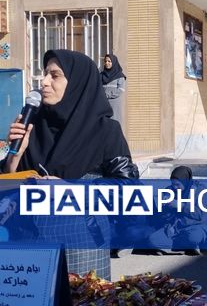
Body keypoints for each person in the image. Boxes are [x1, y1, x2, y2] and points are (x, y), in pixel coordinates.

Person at [1, 49, 139, 279]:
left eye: (54, 75)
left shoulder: (105, 131)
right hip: (28, 241)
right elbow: (8, 185)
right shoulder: (32, 125)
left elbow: (129, 191)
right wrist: (14, 157)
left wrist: (71, 189)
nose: (43, 82)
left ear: (77, 83)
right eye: (45, 74)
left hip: (81, 244)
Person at [146, 166, 207, 256]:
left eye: (178, 185)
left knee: (193, 237)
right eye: (173, 184)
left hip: (194, 227)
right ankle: (188, 247)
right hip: (174, 228)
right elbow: (161, 216)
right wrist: (165, 208)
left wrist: (180, 205)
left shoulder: (200, 190)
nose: (175, 187)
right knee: (152, 240)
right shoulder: (169, 190)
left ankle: (183, 245)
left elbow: (199, 215)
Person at [101, 53, 126, 124]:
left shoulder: (119, 76)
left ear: (114, 62)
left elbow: (120, 90)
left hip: (114, 105)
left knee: (114, 122)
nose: (107, 63)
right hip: (103, 104)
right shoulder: (101, 75)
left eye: (109, 61)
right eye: (105, 61)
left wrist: (107, 94)